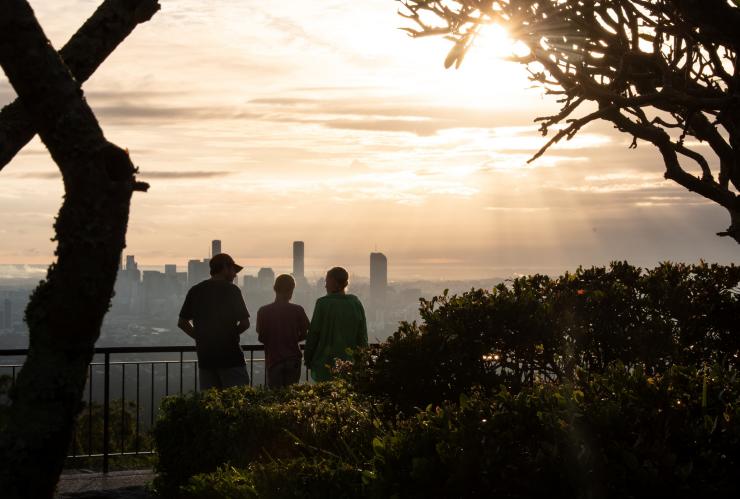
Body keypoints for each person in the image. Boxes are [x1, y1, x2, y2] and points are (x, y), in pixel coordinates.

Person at [178, 253, 250, 390]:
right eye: (233, 270)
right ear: (224, 268)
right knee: (238, 403)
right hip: (231, 358)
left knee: (211, 404)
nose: (235, 275)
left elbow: (182, 322)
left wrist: (201, 337)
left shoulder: (196, 291)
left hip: (206, 359)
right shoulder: (232, 290)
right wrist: (229, 335)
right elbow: (245, 323)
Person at [304, 266, 368, 382]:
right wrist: (363, 358)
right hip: (350, 363)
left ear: (334, 283)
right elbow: (362, 334)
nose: (325, 286)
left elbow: (313, 334)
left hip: (325, 363)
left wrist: (308, 358)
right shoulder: (355, 303)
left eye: (327, 282)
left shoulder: (323, 304)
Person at [256, 274, 310, 389]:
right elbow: (306, 333)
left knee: (275, 397)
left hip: (274, 360)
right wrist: (293, 338)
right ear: (292, 290)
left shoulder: (264, 311)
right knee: (290, 396)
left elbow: (261, 337)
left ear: (275, 289)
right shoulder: (298, 310)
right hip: (293, 358)